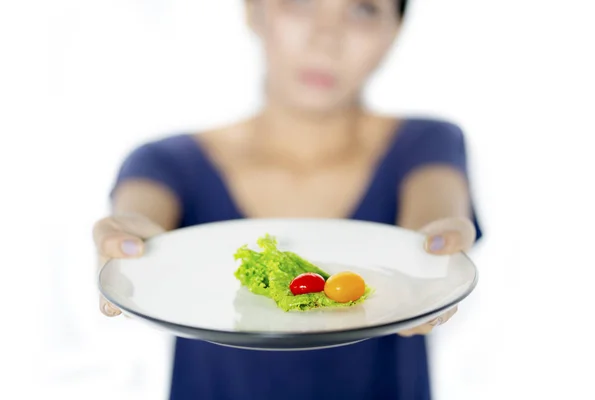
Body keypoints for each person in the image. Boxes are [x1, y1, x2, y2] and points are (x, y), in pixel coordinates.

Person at [92, 0, 483, 399]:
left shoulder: (428, 142)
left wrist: (434, 256)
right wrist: (129, 241)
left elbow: (433, 217)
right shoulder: (165, 161)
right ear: (252, 10)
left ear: (395, 30)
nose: (325, 39)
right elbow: (138, 215)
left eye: (363, 10)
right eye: (299, 4)